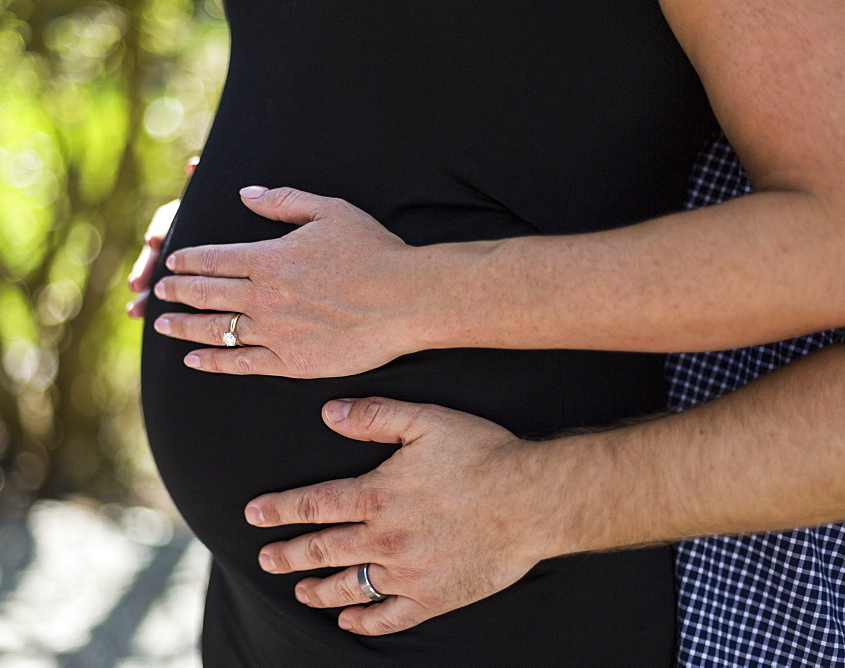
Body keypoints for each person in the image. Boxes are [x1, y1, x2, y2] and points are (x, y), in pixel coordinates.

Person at [135, 1, 844, 665]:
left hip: (500, 579)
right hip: (264, 605)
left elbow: (829, 241)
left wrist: (417, 291)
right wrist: (234, 209)